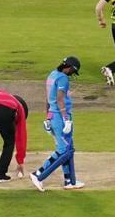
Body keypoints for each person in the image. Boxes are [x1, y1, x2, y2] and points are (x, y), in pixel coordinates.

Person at [30, 56, 84, 192]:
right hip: (60, 117)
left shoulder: (52, 75)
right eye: (73, 71)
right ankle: (38, 174)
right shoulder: (63, 78)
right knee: (63, 151)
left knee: (68, 149)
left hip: (54, 115)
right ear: (70, 68)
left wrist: (48, 117)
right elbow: (60, 100)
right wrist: (66, 119)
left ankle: (69, 180)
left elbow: (48, 98)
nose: (72, 74)